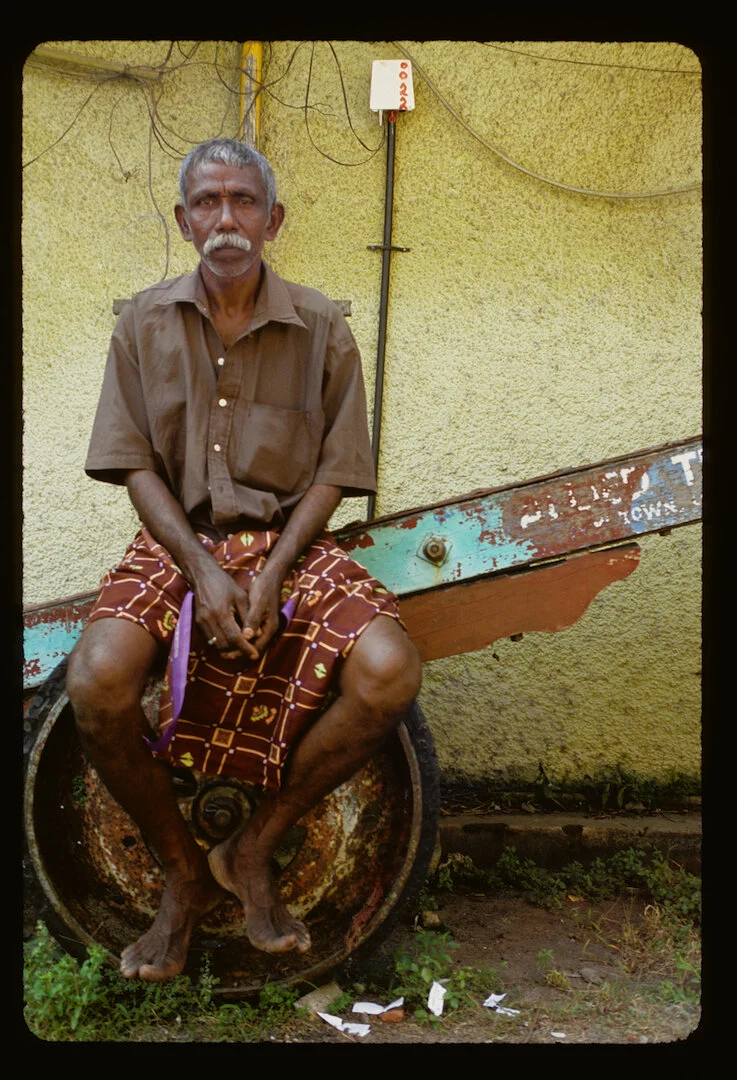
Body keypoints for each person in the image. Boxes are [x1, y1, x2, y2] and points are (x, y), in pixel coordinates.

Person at [65, 137, 422, 982]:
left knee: (390, 672)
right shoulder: (142, 322)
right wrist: (200, 567)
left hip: (291, 544)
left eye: (244, 202)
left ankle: (252, 848)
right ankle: (185, 875)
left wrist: (270, 570)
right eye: (209, 203)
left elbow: (337, 470)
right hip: (178, 541)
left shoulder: (323, 325)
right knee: (96, 681)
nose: (227, 219)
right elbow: (132, 464)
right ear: (185, 219)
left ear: (273, 218)